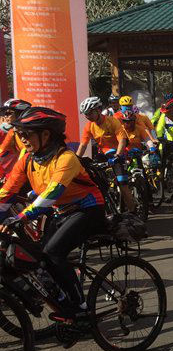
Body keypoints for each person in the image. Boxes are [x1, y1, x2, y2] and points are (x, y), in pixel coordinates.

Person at [0, 107, 106, 322]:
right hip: (61, 212)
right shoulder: (28, 159)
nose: (22, 140)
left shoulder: (66, 158)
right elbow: (7, 191)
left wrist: (20, 217)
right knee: (39, 259)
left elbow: (51, 195)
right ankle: (64, 304)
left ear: (46, 134)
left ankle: (81, 308)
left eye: (26, 134)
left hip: (88, 209)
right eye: (19, 135)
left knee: (53, 253)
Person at [76, 96, 135, 212]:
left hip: (118, 152)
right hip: (102, 154)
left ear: (98, 110)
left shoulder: (112, 121)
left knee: (122, 184)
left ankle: (133, 212)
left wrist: (118, 155)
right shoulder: (89, 126)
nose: (87, 116)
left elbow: (122, 140)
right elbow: (83, 145)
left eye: (89, 113)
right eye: (85, 114)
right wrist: (76, 159)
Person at [0, 98, 32, 176]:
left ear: (21, 114)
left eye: (9, 113)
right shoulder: (12, 132)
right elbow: (2, 150)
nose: (5, 116)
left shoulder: (31, 133)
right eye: (5, 113)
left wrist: (8, 177)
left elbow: (22, 159)